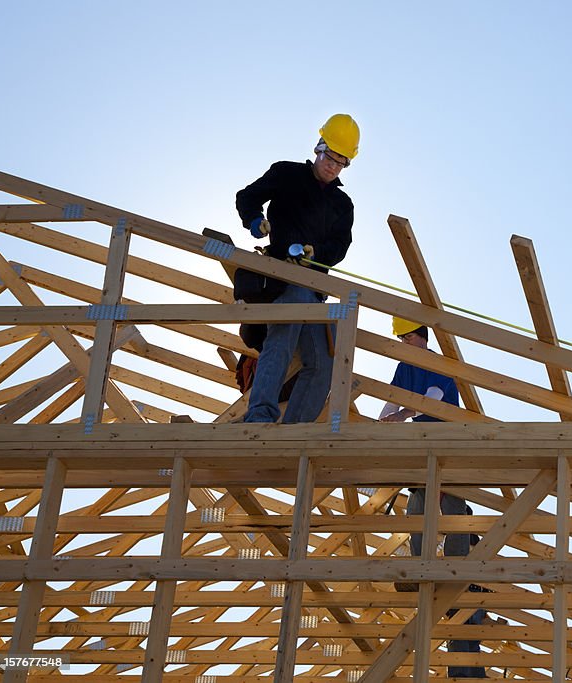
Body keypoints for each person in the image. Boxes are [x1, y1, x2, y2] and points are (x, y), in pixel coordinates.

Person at [379, 318, 486, 678]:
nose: (403, 343)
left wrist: (402, 416)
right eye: (400, 339)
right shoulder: (402, 365)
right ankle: (418, 565)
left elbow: (435, 400)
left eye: (406, 338)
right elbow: (391, 398)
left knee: (452, 506)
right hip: (421, 445)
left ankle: (457, 566)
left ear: (420, 338)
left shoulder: (438, 366)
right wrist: (384, 422)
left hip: (445, 442)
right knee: (418, 506)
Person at [235, 114, 359, 424]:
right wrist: (254, 220)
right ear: (319, 148)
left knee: (323, 362)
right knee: (282, 338)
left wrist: (317, 253)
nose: (332, 165)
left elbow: (340, 246)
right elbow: (247, 197)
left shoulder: (343, 205)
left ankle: (294, 432)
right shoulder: (287, 173)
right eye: (329, 156)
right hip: (282, 279)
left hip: (315, 291)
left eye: (340, 161)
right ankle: (260, 417)